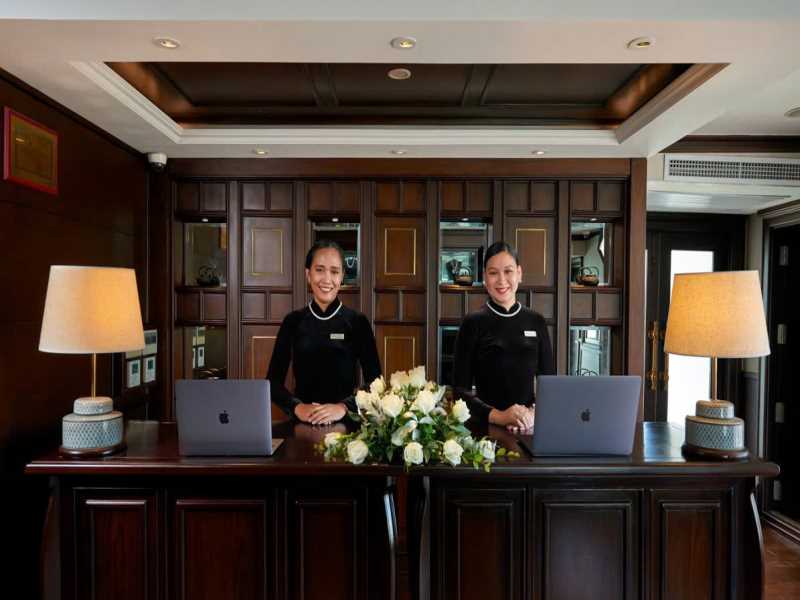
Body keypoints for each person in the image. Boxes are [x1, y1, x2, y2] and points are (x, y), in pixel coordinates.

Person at [267, 240, 381, 425]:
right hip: (303, 423)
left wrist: (343, 407)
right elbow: (272, 383)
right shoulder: (293, 321)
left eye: (334, 272)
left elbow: (376, 383)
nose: (327, 279)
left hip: (347, 425)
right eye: (319, 270)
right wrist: (297, 407)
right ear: (308, 274)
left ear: (342, 276)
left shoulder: (357, 322)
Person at [453, 241, 555, 431]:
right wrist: (500, 417)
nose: (501, 280)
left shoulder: (536, 321)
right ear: (485, 277)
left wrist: (531, 415)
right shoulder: (472, 322)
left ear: (519, 273)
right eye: (493, 273)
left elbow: (550, 385)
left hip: (528, 428)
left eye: (508, 271)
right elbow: (459, 392)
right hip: (486, 430)